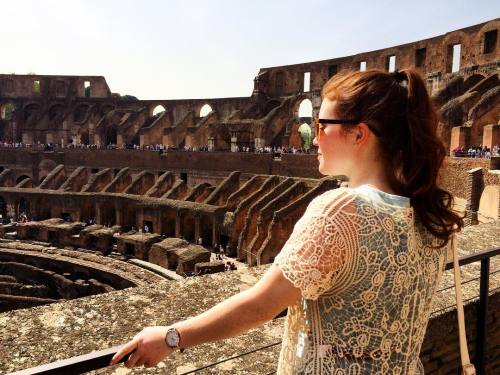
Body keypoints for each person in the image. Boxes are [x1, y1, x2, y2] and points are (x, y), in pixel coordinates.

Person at [111, 69, 463, 374]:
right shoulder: (429, 214)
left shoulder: (339, 210)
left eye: (323, 125)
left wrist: (173, 337)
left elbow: (262, 305)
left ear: (360, 134)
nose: (312, 134)